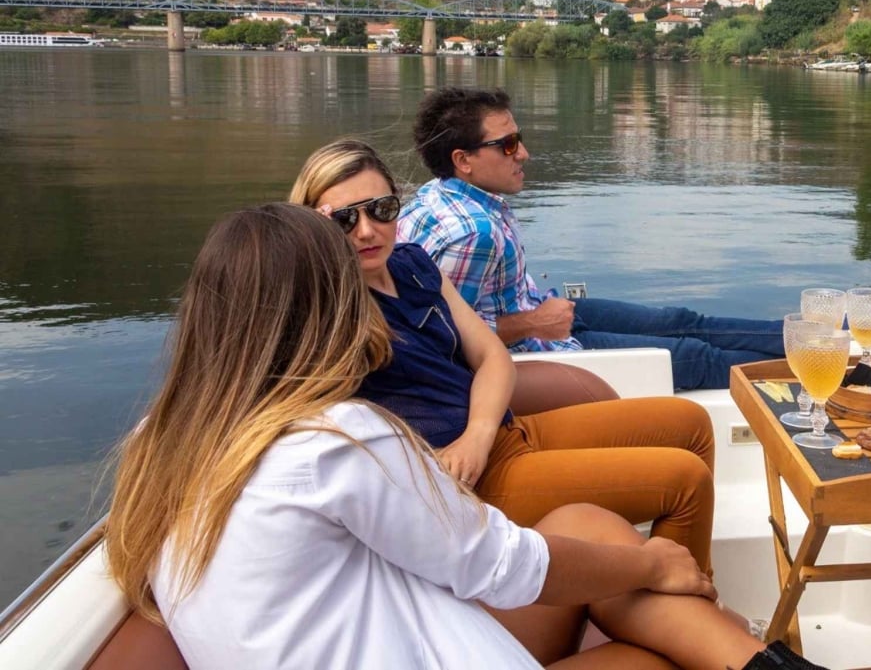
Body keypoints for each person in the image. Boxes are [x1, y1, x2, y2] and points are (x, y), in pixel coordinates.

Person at [105, 203, 823, 670]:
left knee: (585, 524)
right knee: (648, 654)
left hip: (420, 628)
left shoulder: (160, 444)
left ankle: (764, 663)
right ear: (324, 312)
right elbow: (498, 565)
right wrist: (653, 567)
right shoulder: (332, 443)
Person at [291, 140, 717, 572]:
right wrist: (314, 249)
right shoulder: (330, 308)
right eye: (344, 219)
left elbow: (492, 354)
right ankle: (695, 604)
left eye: (380, 209)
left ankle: (678, 586)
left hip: (498, 436)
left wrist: (479, 433)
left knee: (692, 423)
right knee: (686, 479)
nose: (366, 230)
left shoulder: (412, 264)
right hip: (465, 480)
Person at [397, 85, 786, 390]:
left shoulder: (438, 194)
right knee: (696, 357)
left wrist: (538, 315)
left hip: (543, 314)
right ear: (463, 160)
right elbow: (446, 339)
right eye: (508, 145)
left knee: (680, 320)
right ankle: (816, 374)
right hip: (537, 347)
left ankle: (810, 341)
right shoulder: (471, 235)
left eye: (520, 138)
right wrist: (534, 323)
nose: (524, 154)